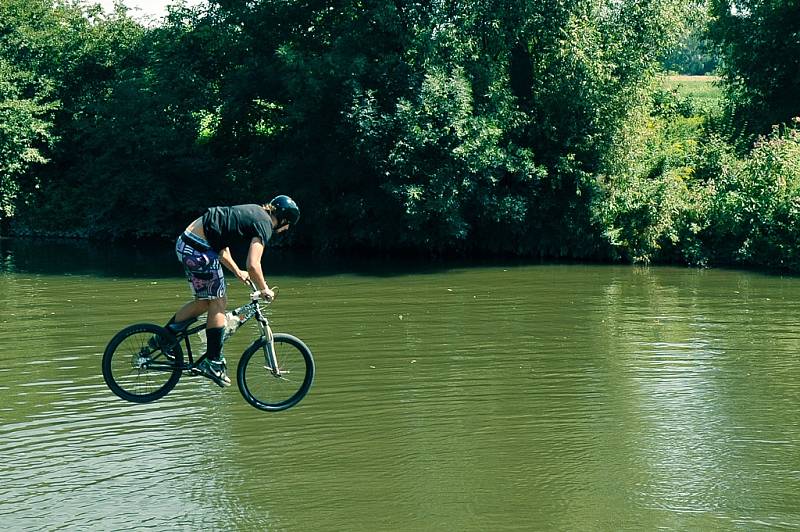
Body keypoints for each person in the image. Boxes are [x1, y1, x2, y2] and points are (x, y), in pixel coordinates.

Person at [165, 195, 300, 387]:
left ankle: (163, 339)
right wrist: (264, 289)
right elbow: (253, 265)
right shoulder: (265, 225)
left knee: (205, 302)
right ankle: (213, 362)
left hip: (188, 244)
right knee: (219, 302)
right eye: (288, 225)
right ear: (284, 219)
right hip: (198, 249)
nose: (285, 230)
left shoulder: (254, 212)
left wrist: (237, 272)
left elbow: (220, 242)